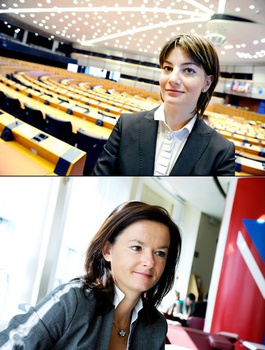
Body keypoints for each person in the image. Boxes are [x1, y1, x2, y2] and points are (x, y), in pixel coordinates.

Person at [0, 201, 182, 350]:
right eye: (136, 248)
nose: (149, 262)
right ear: (108, 250)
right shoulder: (72, 300)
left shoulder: (156, 326)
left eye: (160, 253)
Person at [92, 34, 235, 176]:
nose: (173, 79)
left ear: (207, 83)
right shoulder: (126, 125)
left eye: (188, 70)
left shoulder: (221, 152)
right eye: (168, 68)